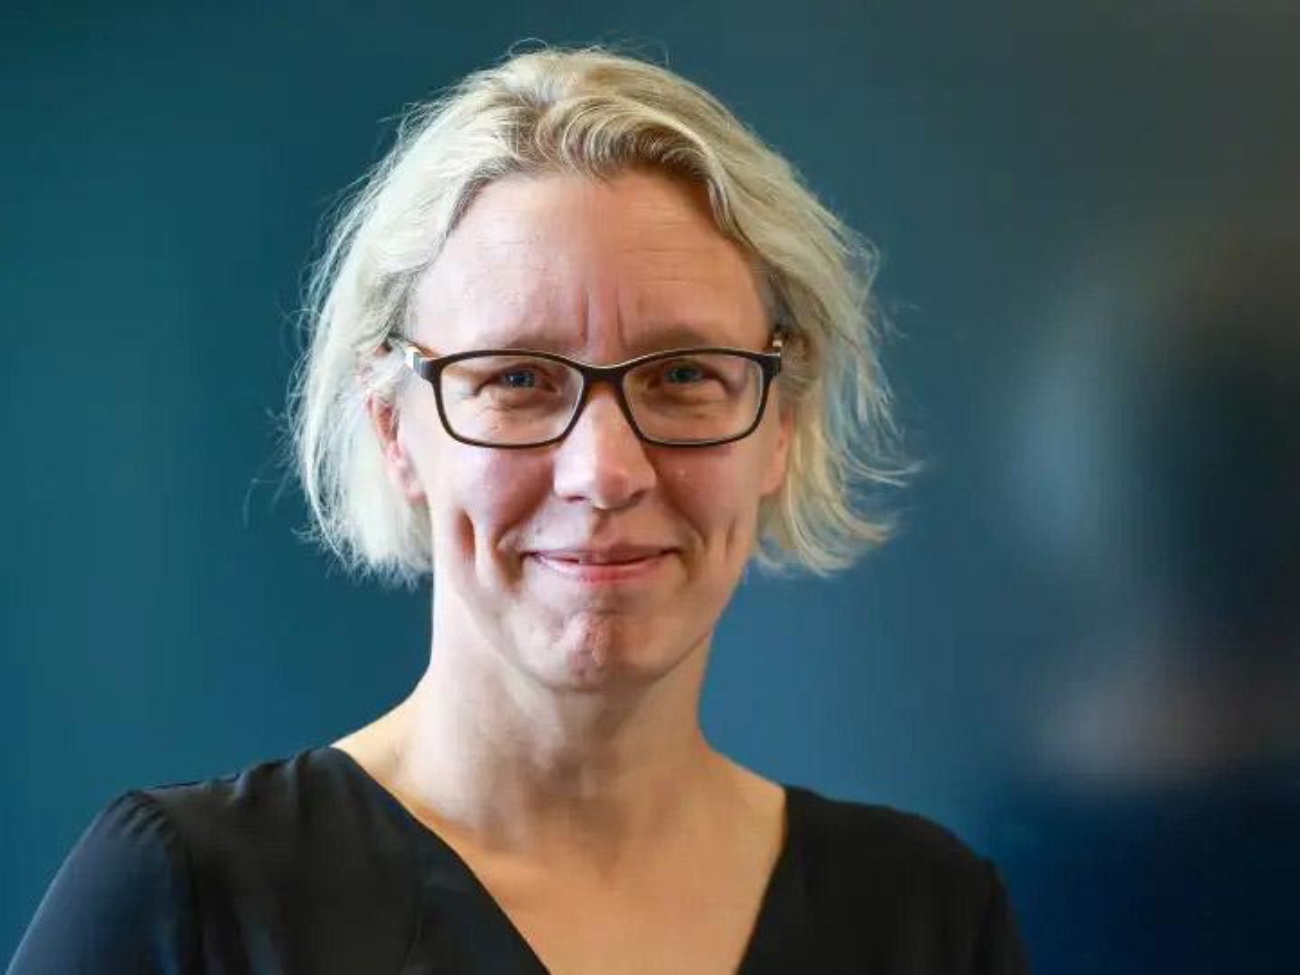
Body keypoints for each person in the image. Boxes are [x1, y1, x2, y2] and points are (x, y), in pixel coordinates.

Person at [9, 47, 1028, 974]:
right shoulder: (189, 903)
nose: (604, 470)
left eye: (681, 374)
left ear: (780, 426)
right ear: (396, 428)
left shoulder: (924, 917)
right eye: (520, 379)